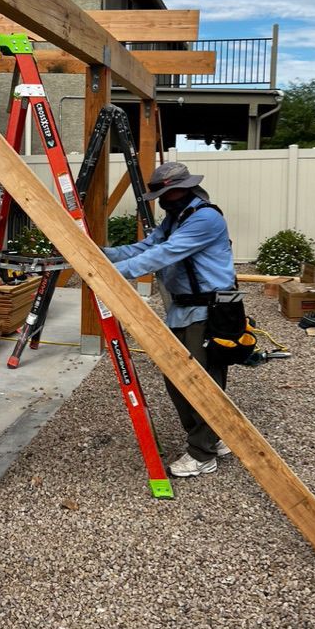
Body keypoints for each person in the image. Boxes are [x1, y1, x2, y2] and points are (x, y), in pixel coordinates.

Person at [102, 161, 237, 478]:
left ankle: (202, 453)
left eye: (166, 192)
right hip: (184, 308)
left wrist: (107, 274)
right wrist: (99, 254)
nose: (163, 198)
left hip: (210, 311)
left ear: (184, 188)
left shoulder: (204, 218)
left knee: (201, 381)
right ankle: (213, 436)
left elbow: (162, 255)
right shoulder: (176, 217)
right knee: (177, 378)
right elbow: (146, 246)